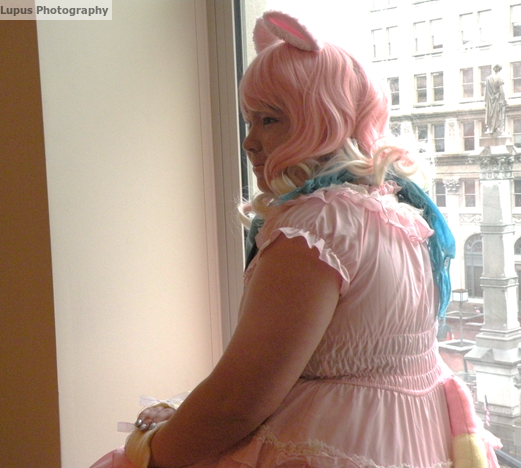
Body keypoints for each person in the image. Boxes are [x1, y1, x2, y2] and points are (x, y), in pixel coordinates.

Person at [90, 11, 500, 468]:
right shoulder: (397, 212)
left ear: (323, 119)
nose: (249, 142)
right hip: (408, 441)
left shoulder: (316, 226)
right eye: (249, 121)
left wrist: (150, 454)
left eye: (269, 119)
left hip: (331, 444)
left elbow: (237, 400)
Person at [485, 64, 507, 134]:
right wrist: (504, 100)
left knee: (490, 114)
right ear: (499, 70)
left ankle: (490, 128)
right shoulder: (500, 78)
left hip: (489, 101)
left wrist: (485, 101)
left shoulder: (488, 78)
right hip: (497, 99)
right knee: (497, 114)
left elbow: (486, 91)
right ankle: (497, 128)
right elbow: (502, 91)